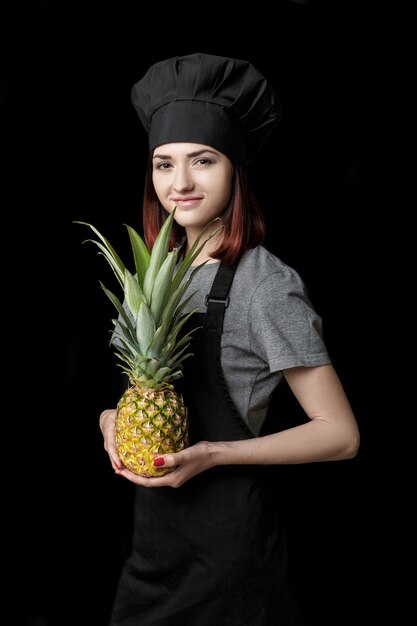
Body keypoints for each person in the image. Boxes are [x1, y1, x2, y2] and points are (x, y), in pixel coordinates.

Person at [99, 52, 360, 625]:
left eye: (203, 161)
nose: (180, 183)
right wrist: (110, 421)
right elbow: (136, 389)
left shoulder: (265, 285)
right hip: (151, 552)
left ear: (236, 168)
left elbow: (341, 435)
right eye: (163, 164)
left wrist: (215, 453)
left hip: (230, 564)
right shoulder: (153, 275)